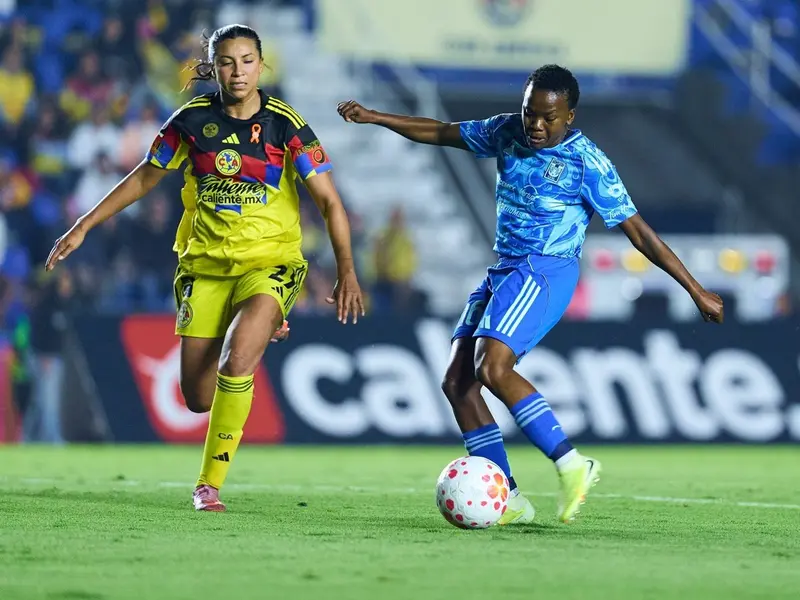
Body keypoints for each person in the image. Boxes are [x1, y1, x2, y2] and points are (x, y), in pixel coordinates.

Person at [337, 64, 723, 525]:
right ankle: (512, 501)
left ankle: (572, 463)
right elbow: (441, 130)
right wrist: (377, 117)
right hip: (504, 269)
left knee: (492, 366)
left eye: (548, 118)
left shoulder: (588, 163)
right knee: (457, 385)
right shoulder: (505, 131)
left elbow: (640, 234)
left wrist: (697, 291)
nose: (536, 126)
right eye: (529, 113)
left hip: (544, 269)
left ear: (570, 117)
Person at [46, 24, 365, 511]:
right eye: (226, 62)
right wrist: (84, 225)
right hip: (204, 269)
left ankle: (208, 484)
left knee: (237, 362)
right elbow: (142, 179)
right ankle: (258, 328)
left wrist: (347, 269)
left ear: (262, 64)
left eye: (247, 60)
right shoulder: (190, 122)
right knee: (197, 397)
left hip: (270, 263)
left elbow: (329, 202)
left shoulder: (287, 126)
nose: (237, 71)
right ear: (212, 68)